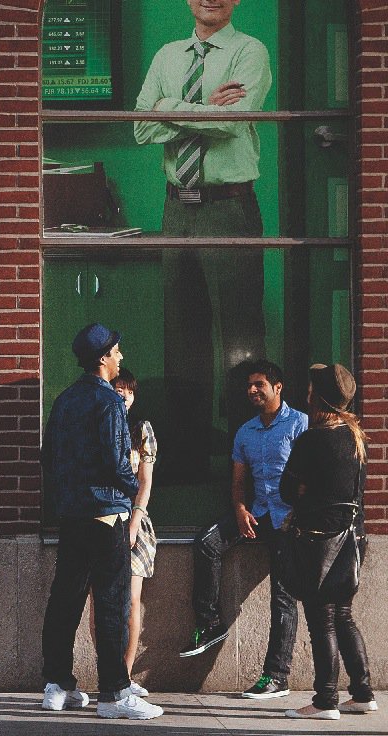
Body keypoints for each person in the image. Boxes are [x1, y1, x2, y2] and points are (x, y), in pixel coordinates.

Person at [134, 0, 273, 483]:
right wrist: (203, 108)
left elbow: (231, 122)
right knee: (182, 336)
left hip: (229, 207)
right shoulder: (167, 56)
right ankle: (187, 461)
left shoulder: (249, 52)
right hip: (177, 209)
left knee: (240, 338)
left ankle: (245, 461)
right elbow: (140, 126)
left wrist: (169, 108)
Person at [38, 323, 162, 719]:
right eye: (117, 351)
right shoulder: (109, 401)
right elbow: (116, 462)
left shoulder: (65, 400)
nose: (121, 357)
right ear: (104, 357)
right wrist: (132, 489)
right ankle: (115, 693)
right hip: (107, 516)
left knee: (65, 601)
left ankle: (58, 686)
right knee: (112, 604)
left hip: (72, 515)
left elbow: (47, 457)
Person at [185, 359, 305, 705]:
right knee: (206, 543)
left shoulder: (299, 424)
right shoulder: (245, 432)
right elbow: (238, 482)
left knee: (283, 597)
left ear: (277, 387)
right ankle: (210, 623)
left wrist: (300, 516)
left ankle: (276, 675)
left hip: (289, 521)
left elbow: (311, 476)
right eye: (249, 386)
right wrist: (239, 510)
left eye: (259, 385)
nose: (252, 391)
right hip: (257, 514)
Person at [278, 363, 374, 720]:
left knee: (322, 620)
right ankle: (362, 693)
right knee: (344, 615)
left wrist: (305, 491)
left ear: (317, 398)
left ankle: (325, 700)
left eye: (310, 389)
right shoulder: (355, 437)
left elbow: (288, 490)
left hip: (317, 541)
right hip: (351, 539)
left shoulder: (312, 440)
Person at [109, 369, 159, 698]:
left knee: (131, 600)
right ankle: (110, 674)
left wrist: (135, 521)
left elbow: (145, 481)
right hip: (102, 518)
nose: (125, 395)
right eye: (119, 389)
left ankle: (124, 677)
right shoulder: (100, 426)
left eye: (129, 390)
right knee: (101, 604)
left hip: (134, 521)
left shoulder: (141, 430)